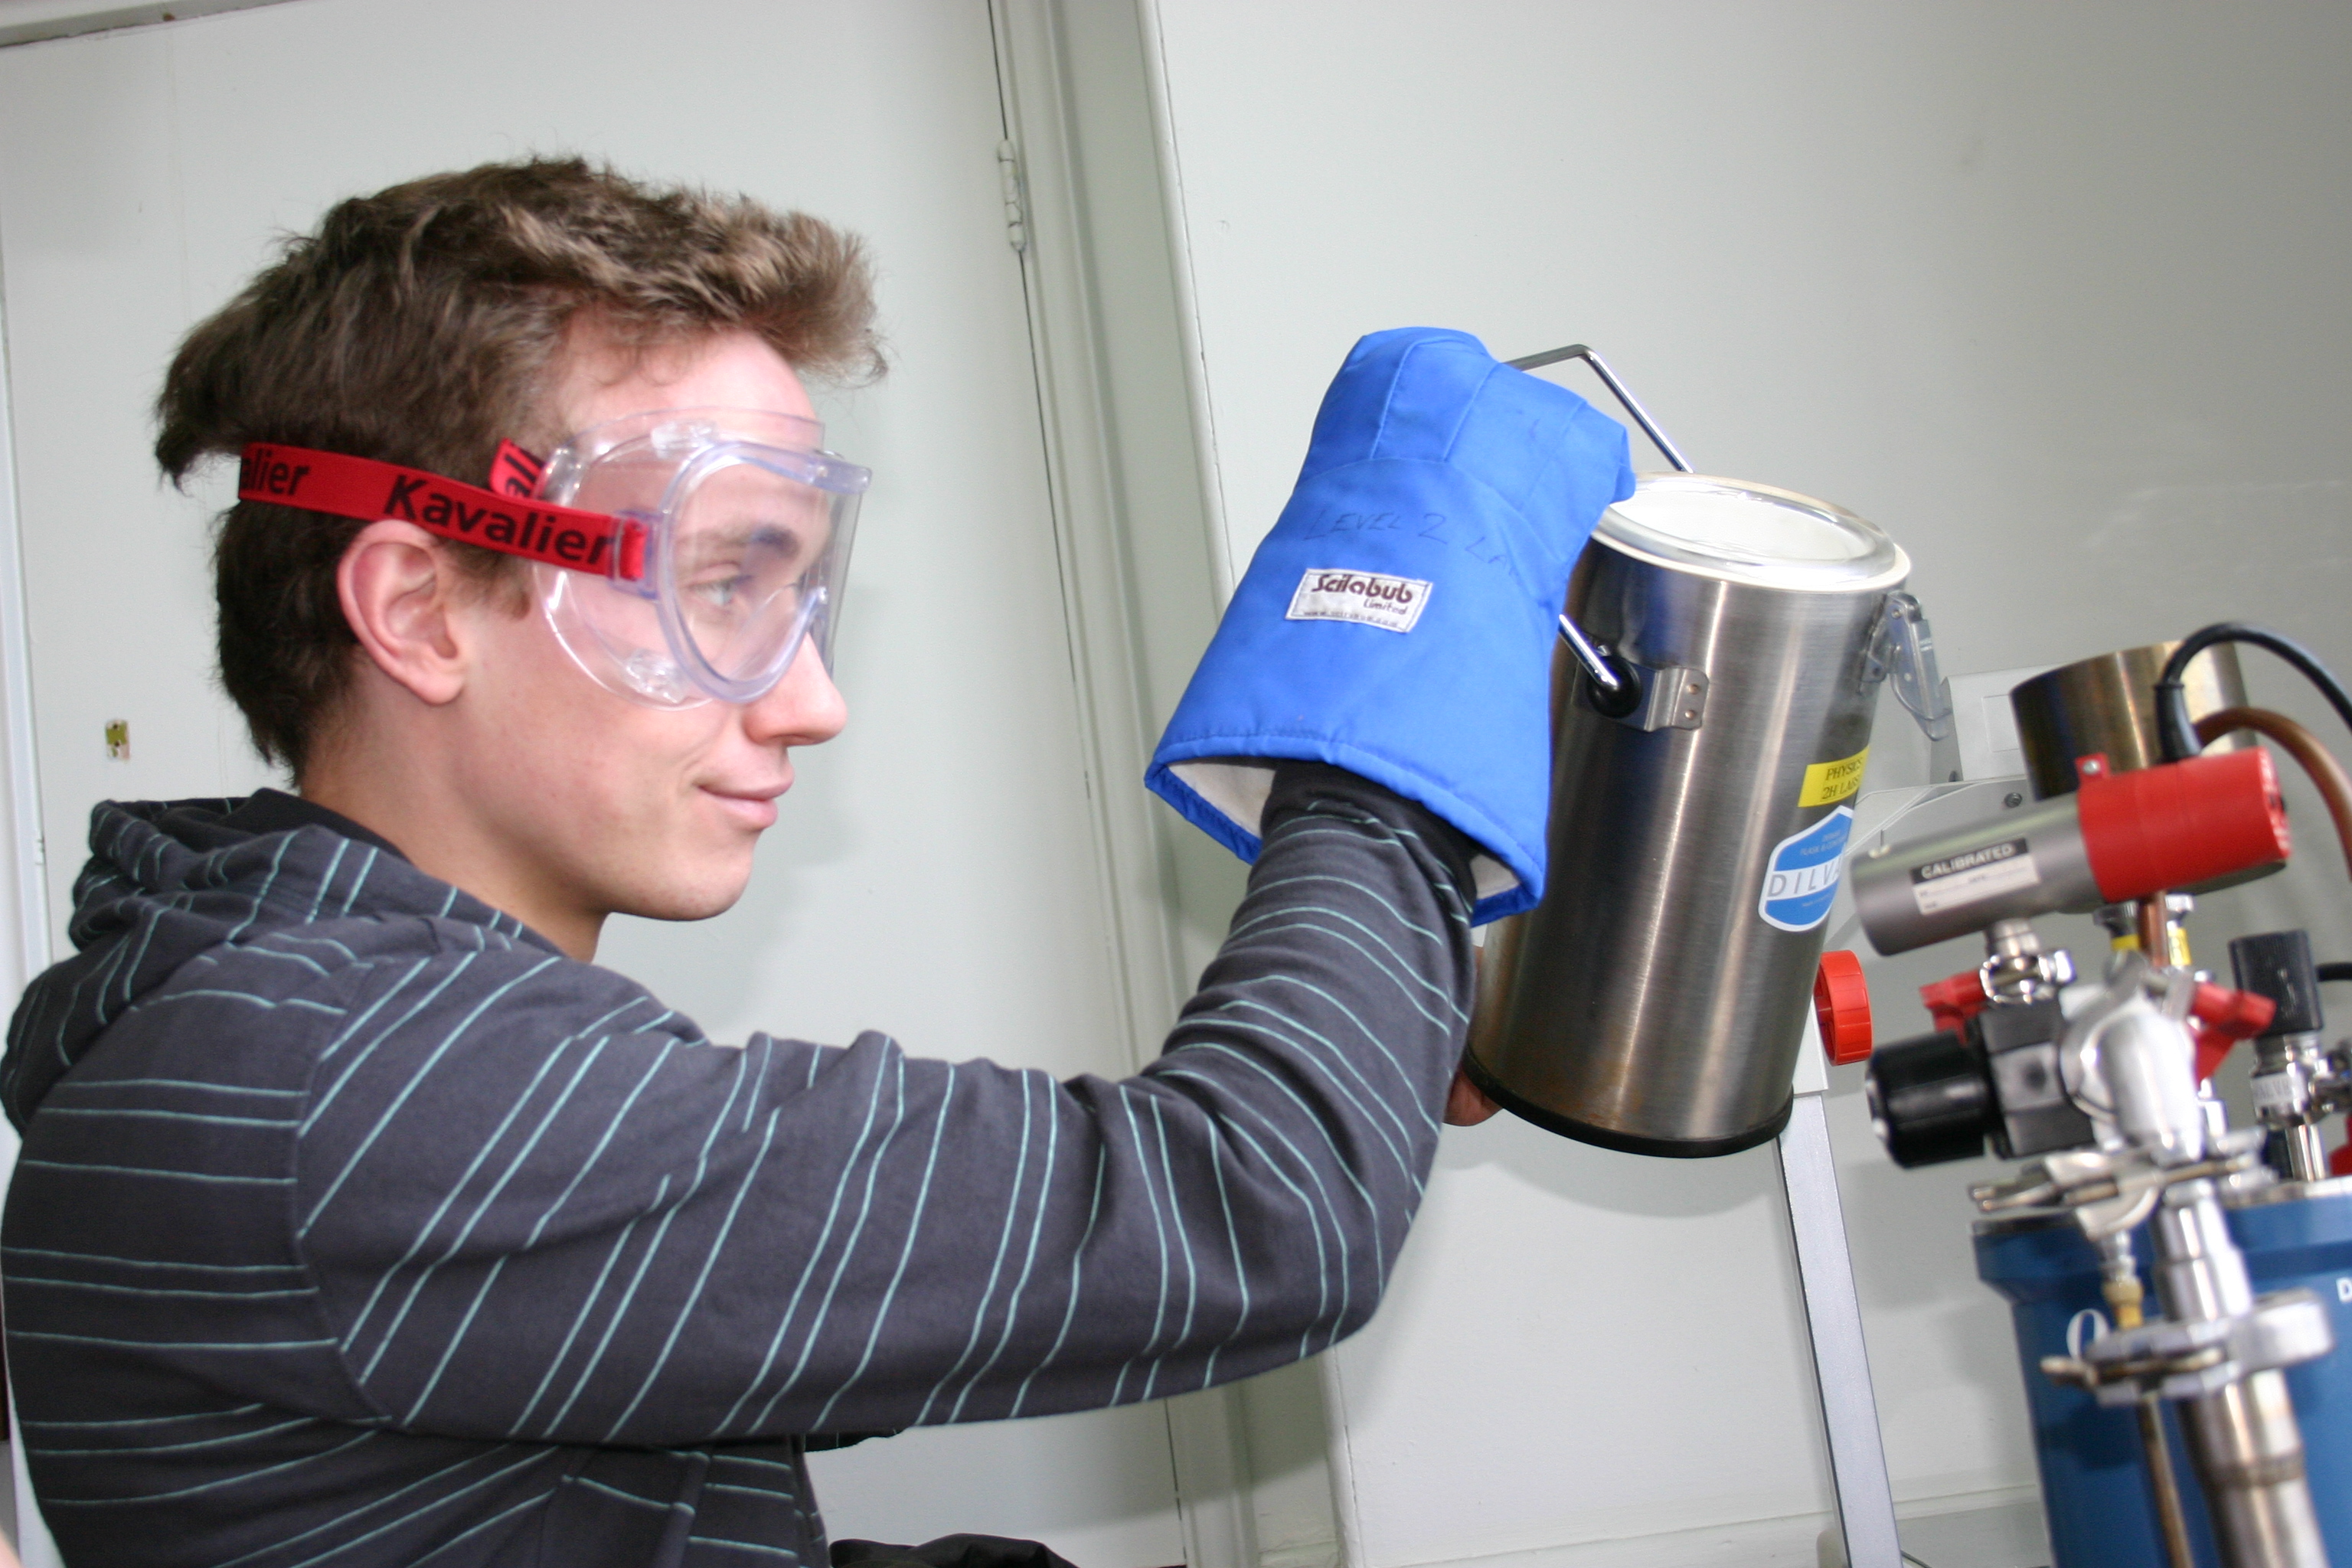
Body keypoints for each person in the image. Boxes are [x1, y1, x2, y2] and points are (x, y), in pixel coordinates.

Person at [0, 158, 1628, 1567]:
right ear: (420, 608)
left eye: (798, 594)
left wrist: (1382, 1002)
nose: (812, 700)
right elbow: (1258, 1206)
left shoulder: (288, 1040)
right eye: (720, 582)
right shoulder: (335, 1082)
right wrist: (1396, 692)